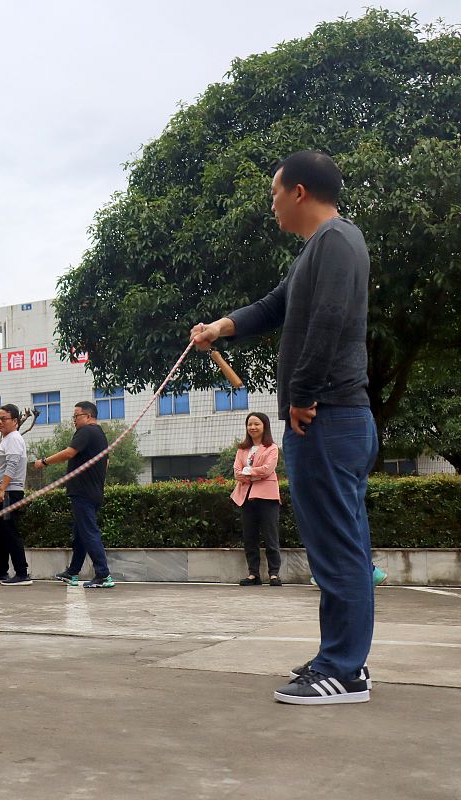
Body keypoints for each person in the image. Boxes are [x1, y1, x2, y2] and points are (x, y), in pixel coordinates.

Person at [191, 149, 377, 705]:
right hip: (330, 416)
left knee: (338, 549)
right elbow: (277, 307)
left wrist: (301, 394)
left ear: (298, 192)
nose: (271, 204)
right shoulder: (316, 251)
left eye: (274, 193)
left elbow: (330, 320)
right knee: (339, 545)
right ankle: (344, 660)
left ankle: (343, 671)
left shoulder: (339, 241)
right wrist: (220, 327)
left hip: (328, 415)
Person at [33, 401, 113, 589]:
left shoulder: (86, 432)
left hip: (83, 492)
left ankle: (103, 574)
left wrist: (44, 462)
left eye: (76, 416)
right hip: (93, 491)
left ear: (87, 416)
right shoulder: (100, 435)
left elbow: (69, 453)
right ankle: (73, 572)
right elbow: (106, 464)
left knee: (89, 532)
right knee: (80, 534)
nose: (74, 421)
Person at [0, 404, 32, 586]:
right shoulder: (7, 439)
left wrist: (3, 489)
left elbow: (12, 465)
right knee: (1, 532)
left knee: (10, 531)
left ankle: (22, 572)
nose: (0, 422)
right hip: (3, 491)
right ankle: (1, 571)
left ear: (15, 421)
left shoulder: (13, 438)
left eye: (4, 419)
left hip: (9, 492)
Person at [232, 413, 282, 587]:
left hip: (267, 497)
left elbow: (268, 470)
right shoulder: (242, 449)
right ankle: (253, 574)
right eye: (249, 424)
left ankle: (274, 574)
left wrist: (248, 472)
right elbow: (237, 472)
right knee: (250, 537)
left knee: (271, 536)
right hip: (246, 497)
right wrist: (252, 474)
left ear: (264, 426)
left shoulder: (272, 448)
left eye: (256, 424)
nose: (252, 427)